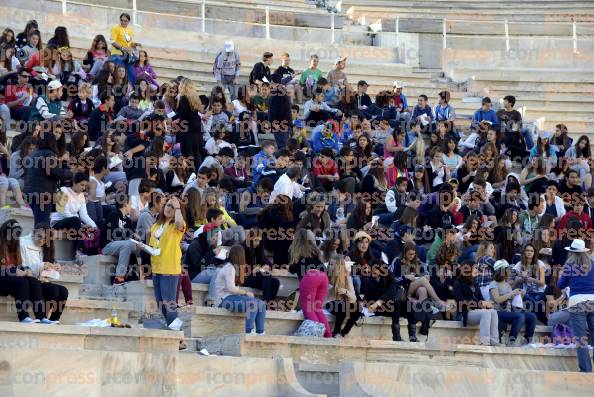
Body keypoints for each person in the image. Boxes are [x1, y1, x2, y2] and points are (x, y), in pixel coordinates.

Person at [0, 220, 54, 324]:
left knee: (32, 280)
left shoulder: (14, 247)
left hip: (9, 280)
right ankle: (23, 317)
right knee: (22, 282)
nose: (15, 238)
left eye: (17, 235)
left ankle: (41, 317)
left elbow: (18, 266)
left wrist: (26, 270)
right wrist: (13, 271)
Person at [148, 196, 186, 331]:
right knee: (162, 305)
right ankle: (174, 331)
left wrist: (177, 208)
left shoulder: (177, 225)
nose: (168, 208)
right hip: (157, 268)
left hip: (170, 269)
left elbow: (179, 224)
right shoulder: (156, 225)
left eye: (172, 206)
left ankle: (179, 337)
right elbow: (153, 246)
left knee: (170, 306)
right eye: (168, 205)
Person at [19, 222, 69, 323]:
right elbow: (22, 268)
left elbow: (46, 269)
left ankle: (54, 319)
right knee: (53, 290)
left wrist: (54, 268)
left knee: (63, 291)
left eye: (45, 239)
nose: (42, 240)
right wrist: (42, 266)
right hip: (28, 280)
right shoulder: (22, 243)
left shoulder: (45, 248)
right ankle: (42, 317)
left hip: (40, 279)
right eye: (39, 236)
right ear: (33, 233)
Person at [558, 239, 594, 372]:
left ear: (572, 252)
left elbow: (560, 285)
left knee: (581, 340)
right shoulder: (593, 264)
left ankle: (586, 371)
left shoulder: (569, 266)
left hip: (577, 303)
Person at [214, 245, 267, 334]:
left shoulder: (234, 268)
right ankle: (249, 331)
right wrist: (246, 292)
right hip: (223, 299)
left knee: (261, 304)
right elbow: (231, 288)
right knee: (253, 304)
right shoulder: (229, 267)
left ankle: (260, 332)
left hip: (232, 297)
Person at [23, 132, 73, 225]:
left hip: (30, 194)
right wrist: (70, 173)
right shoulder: (49, 154)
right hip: (43, 194)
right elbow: (53, 171)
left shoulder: (33, 154)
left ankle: (37, 238)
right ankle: (40, 238)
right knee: (42, 225)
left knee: (38, 223)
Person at [489, 259, 537, 345]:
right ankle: (511, 341)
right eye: (507, 269)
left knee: (532, 316)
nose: (510, 271)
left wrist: (520, 294)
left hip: (508, 311)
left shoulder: (507, 284)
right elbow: (497, 299)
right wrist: (512, 293)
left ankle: (527, 341)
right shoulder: (494, 284)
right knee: (520, 316)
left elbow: (512, 300)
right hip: (497, 312)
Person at [453, 261, 500, 345]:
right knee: (485, 313)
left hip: (477, 311)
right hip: (465, 313)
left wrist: (487, 303)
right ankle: (484, 343)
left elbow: (481, 299)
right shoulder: (458, 283)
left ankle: (494, 342)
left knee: (493, 312)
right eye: (475, 268)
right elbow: (460, 303)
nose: (477, 270)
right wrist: (480, 304)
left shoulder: (475, 283)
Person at [325, 255, 360, 337]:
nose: (329, 267)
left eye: (332, 265)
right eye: (329, 264)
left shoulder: (346, 277)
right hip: (328, 303)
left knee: (357, 307)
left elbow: (354, 298)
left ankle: (344, 332)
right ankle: (336, 331)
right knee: (342, 305)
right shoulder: (325, 277)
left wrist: (345, 291)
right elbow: (325, 296)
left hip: (342, 304)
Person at [173, 78, 203, 170]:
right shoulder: (195, 97)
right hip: (196, 125)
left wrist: (171, 119)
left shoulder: (183, 97)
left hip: (187, 127)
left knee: (187, 152)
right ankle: (200, 173)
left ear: (182, 86)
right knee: (196, 152)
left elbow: (183, 112)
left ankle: (191, 174)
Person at [110, 12, 141, 81]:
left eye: (125, 21)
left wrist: (135, 44)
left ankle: (131, 90)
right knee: (120, 74)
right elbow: (112, 42)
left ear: (129, 21)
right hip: (118, 55)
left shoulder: (129, 30)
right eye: (121, 20)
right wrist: (123, 48)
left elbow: (129, 43)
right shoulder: (115, 28)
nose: (123, 22)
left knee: (132, 74)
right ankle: (118, 89)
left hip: (127, 56)